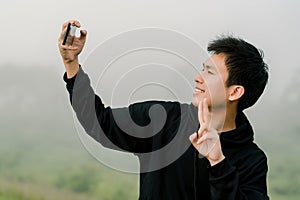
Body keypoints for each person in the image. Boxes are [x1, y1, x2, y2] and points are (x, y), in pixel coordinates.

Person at [58, 20, 269, 200]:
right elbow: (100, 122)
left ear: (235, 92)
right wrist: (71, 63)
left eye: (210, 73)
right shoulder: (164, 119)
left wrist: (218, 162)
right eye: (203, 69)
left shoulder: (252, 160)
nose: (198, 77)